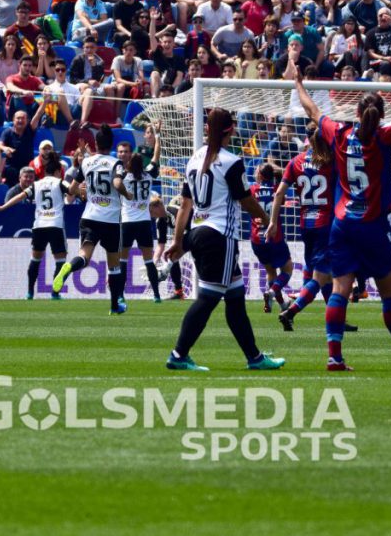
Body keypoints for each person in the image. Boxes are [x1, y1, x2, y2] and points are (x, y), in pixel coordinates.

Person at [293, 54, 391, 372]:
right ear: (380, 115)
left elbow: (311, 110)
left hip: (341, 225)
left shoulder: (338, 134)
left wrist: (297, 82)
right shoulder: (384, 137)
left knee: (339, 290)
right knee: (389, 295)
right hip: (372, 225)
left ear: (355, 113)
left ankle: (334, 357)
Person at [162, 108, 283, 372]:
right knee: (208, 299)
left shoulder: (194, 159)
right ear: (231, 129)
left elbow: (184, 205)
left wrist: (178, 239)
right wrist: (266, 219)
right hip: (219, 237)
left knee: (236, 298)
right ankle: (178, 354)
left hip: (197, 233)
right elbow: (245, 198)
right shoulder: (231, 161)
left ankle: (254, 357)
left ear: (208, 129)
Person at [271, 122, 357, 333]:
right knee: (319, 279)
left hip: (305, 226)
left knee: (325, 274)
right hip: (326, 226)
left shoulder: (295, 162)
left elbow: (278, 194)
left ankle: (337, 318)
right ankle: (291, 312)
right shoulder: (332, 162)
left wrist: (273, 222)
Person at [52, 125, 130, 314]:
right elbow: (118, 183)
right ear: (111, 145)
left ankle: (69, 267)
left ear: (96, 143)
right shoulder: (116, 163)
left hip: (89, 217)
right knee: (114, 266)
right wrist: (127, 195)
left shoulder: (86, 163)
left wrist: (83, 193)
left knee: (84, 256)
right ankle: (114, 306)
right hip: (110, 219)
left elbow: (71, 190)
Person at [0, 157, 73, 300]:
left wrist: (3, 207)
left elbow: (20, 196)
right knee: (60, 261)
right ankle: (55, 293)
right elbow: (73, 191)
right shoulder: (60, 182)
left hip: (39, 225)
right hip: (55, 224)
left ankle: (29, 292)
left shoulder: (37, 184)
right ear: (57, 171)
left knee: (35, 259)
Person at [115, 130, 164, 303]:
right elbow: (156, 156)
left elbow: (116, 183)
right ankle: (157, 294)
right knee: (149, 261)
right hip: (144, 222)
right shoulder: (148, 175)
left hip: (127, 222)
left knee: (122, 261)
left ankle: (120, 295)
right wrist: (157, 137)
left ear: (129, 163)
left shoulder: (125, 177)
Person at [248, 162, 294, 313]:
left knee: (270, 272)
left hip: (257, 239)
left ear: (260, 175)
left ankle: (280, 304)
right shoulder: (277, 190)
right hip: (274, 237)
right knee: (287, 269)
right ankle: (272, 292)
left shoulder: (252, 189)